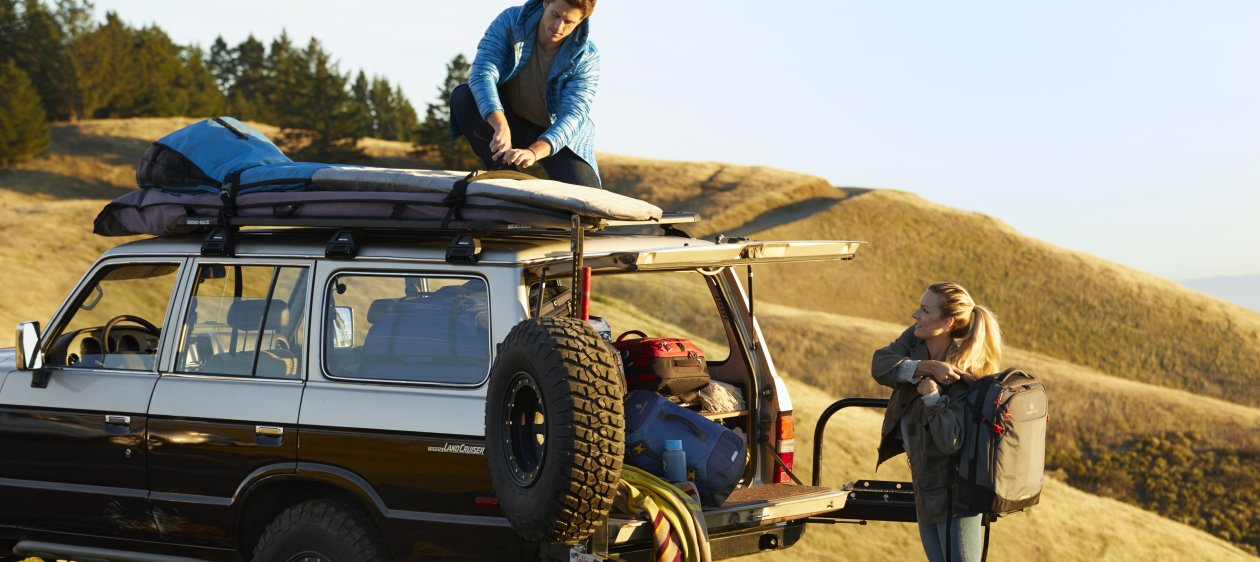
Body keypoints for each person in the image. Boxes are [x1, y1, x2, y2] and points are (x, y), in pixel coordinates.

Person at [871, 282, 1003, 562]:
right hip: (925, 487)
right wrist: (925, 368)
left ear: (946, 322)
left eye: (924, 309)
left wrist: (932, 398)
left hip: (956, 495)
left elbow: (950, 441)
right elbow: (881, 364)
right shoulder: (915, 341)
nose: (914, 315)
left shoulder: (964, 374)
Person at [450, 0, 602, 188]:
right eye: (555, 15)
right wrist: (500, 124)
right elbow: (482, 71)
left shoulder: (587, 57)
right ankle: (504, 175)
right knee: (464, 97)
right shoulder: (511, 21)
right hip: (509, 119)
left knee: (586, 198)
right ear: (546, 2)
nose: (558, 26)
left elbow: (573, 115)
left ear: (581, 20)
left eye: (568, 22)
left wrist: (534, 152)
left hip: (555, 135)